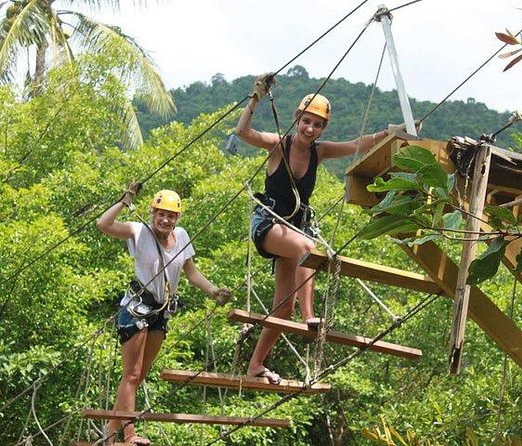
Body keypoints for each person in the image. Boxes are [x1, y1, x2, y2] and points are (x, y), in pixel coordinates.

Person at [236, 74, 392, 384]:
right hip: (268, 224)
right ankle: (310, 317)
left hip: (292, 229)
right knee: (308, 248)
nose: (310, 129)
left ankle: (256, 364)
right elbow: (243, 132)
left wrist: (387, 134)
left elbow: (356, 145)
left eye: (317, 125)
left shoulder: (320, 152)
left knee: (283, 307)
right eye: (307, 122)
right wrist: (255, 97)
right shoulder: (279, 145)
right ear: (297, 119)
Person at [96, 185, 231, 446]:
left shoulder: (181, 236)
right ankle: (129, 435)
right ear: (153, 213)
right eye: (161, 214)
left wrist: (214, 291)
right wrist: (125, 201)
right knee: (131, 375)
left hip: (161, 313)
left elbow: (191, 273)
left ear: (177, 218)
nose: (166, 220)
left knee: (138, 376)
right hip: (137, 308)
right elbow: (104, 224)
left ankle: (111, 427)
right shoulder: (138, 231)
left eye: (171, 216)